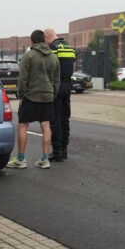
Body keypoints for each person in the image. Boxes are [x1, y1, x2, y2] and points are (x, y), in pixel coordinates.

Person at [7, 30, 59, 169]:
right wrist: (53, 95)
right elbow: (56, 80)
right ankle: (45, 159)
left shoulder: (29, 55)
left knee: (23, 125)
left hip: (31, 96)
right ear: (44, 40)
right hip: (48, 96)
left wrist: (21, 95)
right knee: (46, 126)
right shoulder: (53, 57)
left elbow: (23, 78)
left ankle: (21, 159)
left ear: (32, 41)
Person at [44, 28, 76, 162]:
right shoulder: (70, 47)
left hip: (56, 85)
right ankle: (64, 151)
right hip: (68, 85)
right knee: (65, 117)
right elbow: (73, 67)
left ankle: (56, 152)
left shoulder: (53, 47)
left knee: (55, 119)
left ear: (47, 37)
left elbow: (50, 67)